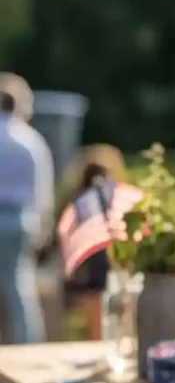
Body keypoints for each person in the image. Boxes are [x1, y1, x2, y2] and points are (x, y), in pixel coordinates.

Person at [0, 74, 54, 344]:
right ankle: (27, 343)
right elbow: (42, 190)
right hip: (20, 218)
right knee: (18, 285)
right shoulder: (30, 140)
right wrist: (43, 227)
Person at [61, 145, 128, 340]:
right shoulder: (115, 197)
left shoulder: (76, 201)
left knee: (93, 321)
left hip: (85, 263)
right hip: (108, 259)